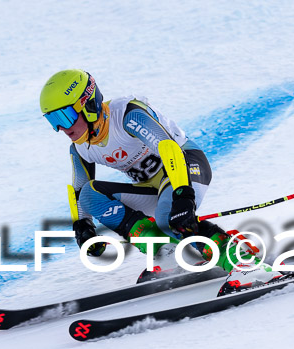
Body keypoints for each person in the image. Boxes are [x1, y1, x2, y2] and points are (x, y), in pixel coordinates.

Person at [39, 69, 279, 292]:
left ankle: (247, 263)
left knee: (170, 218)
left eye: (65, 116)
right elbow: (80, 189)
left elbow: (168, 148)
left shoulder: (127, 115)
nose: (62, 127)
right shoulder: (80, 148)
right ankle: (168, 251)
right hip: (152, 186)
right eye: (53, 120)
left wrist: (183, 194)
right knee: (91, 195)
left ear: (88, 104)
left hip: (185, 167)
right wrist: (83, 227)